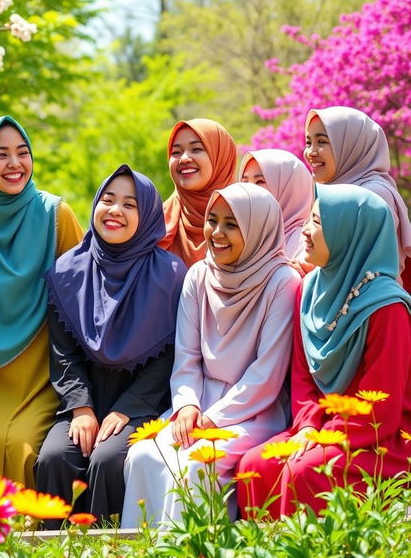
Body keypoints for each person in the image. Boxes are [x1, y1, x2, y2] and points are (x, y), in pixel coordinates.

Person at [122, 183, 301, 528]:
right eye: (212, 221)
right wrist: (187, 404)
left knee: (196, 464)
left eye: (232, 224)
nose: (216, 233)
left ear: (257, 228)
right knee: (144, 454)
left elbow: (267, 374)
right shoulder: (199, 275)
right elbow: (187, 356)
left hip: (254, 412)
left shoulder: (282, 282)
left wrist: (214, 419)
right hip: (197, 403)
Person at [237, 184, 411, 519]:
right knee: (254, 466)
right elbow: (303, 379)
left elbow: (383, 408)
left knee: (304, 471)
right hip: (322, 428)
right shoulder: (308, 289)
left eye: (316, 222)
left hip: (380, 440)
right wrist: (306, 428)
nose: (304, 229)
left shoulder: (387, 307)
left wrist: (325, 437)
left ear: (349, 232)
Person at [35, 165, 186, 527]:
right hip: (82, 403)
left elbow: (169, 357)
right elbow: (63, 354)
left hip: (142, 405)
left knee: (109, 458)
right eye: (108, 199)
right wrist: (81, 409)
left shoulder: (170, 275)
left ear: (147, 214)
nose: (115, 210)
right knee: (55, 457)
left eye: (129, 204)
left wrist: (127, 411)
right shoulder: (67, 270)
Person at [0, 116, 83, 487]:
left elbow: (82, 300)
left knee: (23, 445)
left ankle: (30, 545)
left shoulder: (55, 214)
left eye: (22, 152)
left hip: (49, 368)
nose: (15, 164)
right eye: (1, 155)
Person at [304, 106, 411, 287]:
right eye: (308, 143)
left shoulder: (373, 195)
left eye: (322, 141)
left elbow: (359, 265)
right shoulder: (325, 193)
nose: (311, 153)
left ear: (352, 145)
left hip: (367, 307)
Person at [159, 118, 237, 267]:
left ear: (221, 157)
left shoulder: (248, 217)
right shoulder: (157, 222)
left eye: (196, 149)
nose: (184, 158)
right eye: (176, 152)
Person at [240, 149, 314, 258]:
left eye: (260, 181)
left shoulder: (308, 243)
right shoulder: (243, 237)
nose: (249, 189)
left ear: (289, 188)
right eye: (245, 182)